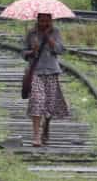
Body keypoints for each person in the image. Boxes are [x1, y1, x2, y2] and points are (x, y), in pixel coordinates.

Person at [23, 12, 68, 147]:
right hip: (36, 71)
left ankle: (46, 125)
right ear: (37, 20)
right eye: (41, 21)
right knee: (37, 100)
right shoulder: (31, 33)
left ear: (50, 21)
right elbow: (23, 52)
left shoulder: (55, 32)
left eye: (46, 21)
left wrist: (50, 40)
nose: (44, 23)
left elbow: (61, 50)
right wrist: (32, 51)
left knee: (49, 104)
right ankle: (36, 135)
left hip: (52, 71)